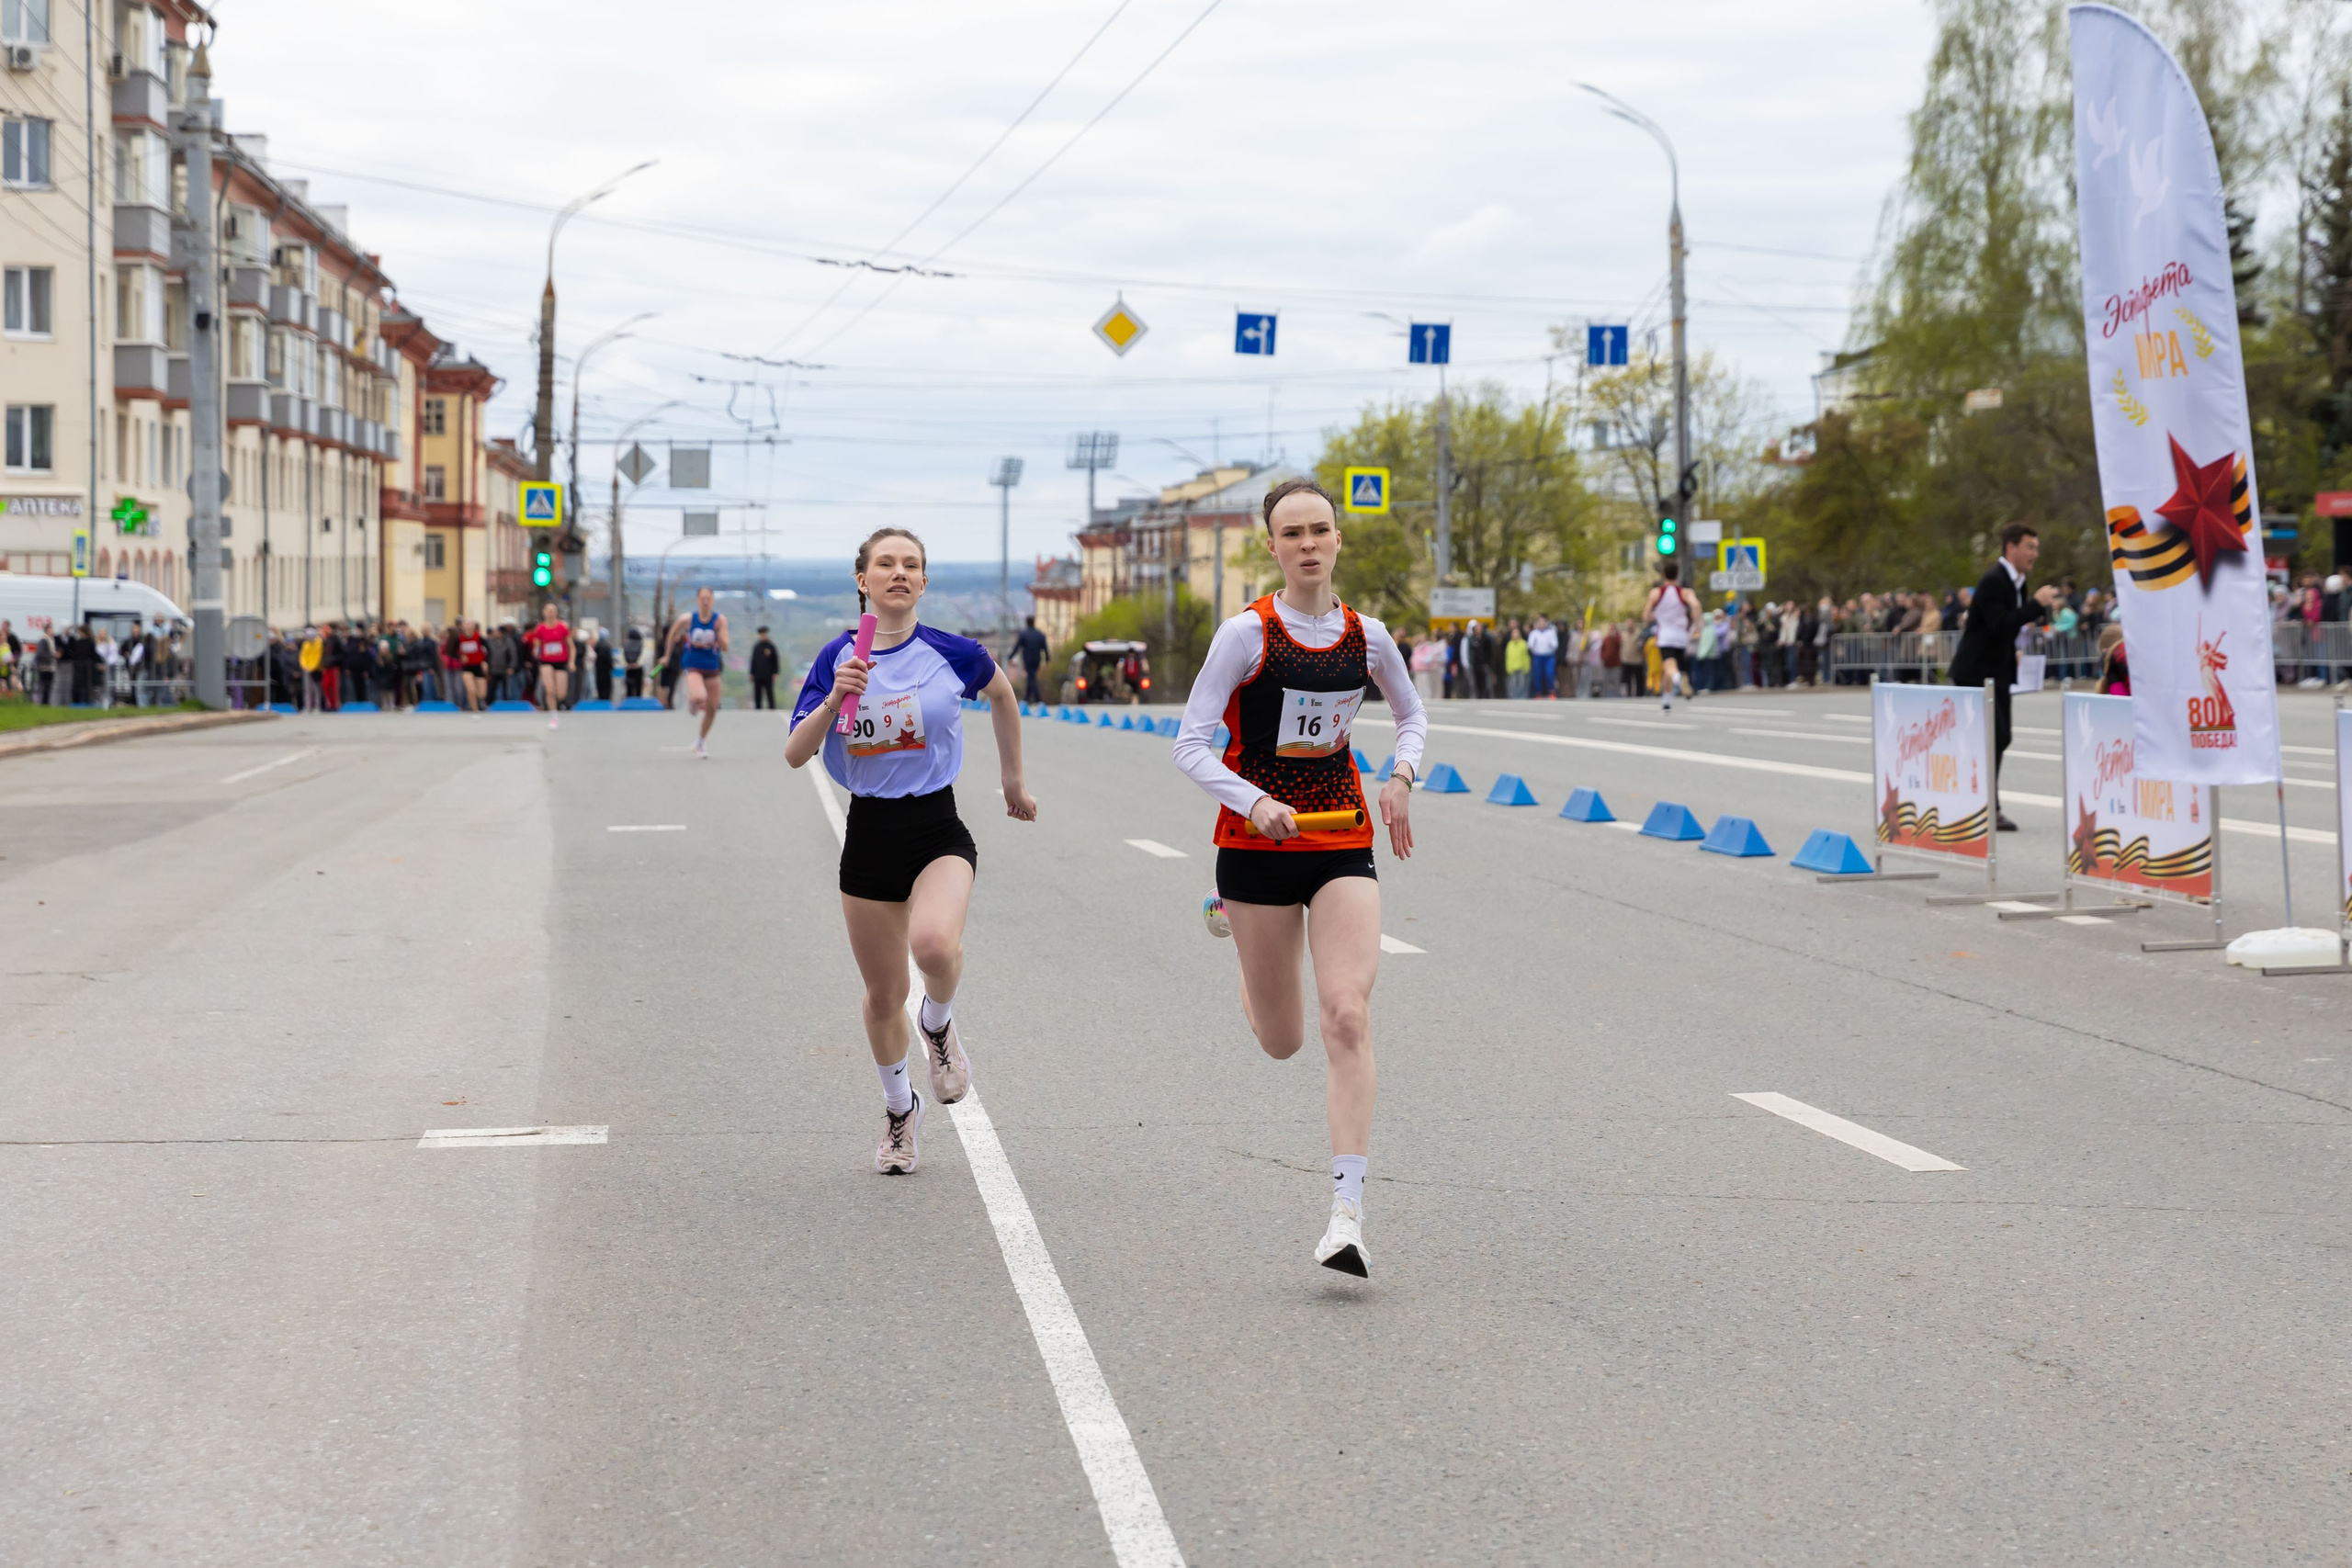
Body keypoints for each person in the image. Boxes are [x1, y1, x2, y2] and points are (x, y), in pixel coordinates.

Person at [1172, 478, 1425, 1278]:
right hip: (1254, 846)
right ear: (1274, 547)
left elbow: (1412, 717)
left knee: (1346, 1014)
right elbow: (1189, 743)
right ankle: (1243, 949)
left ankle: (1346, 1215)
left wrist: (1400, 776)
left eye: (1321, 529)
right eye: (1293, 533)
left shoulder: (1370, 638)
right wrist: (1254, 801)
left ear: (1337, 539)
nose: (1309, 544)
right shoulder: (1245, 635)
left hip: (1341, 837)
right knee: (1282, 1040)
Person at [786, 527, 1036, 1175]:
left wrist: (1012, 778)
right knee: (880, 994)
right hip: (868, 833)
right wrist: (837, 695)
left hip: (936, 827)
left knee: (932, 946)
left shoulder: (952, 652)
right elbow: (795, 752)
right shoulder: (835, 658)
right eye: (885, 564)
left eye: (912, 564)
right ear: (862, 580)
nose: (899, 572)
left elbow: (1003, 693)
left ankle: (939, 1022)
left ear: (924, 582)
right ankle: (901, 1110)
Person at [1947, 522, 2061, 831]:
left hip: (1997, 669)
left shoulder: (2019, 582)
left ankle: (1982, 803)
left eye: (2036, 548)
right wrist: (2036, 605)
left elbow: (2007, 628)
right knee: (1990, 736)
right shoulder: (1994, 581)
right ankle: (1984, 806)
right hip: (1975, 671)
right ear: (2011, 547)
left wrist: (2015, 648)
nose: (2034, 554)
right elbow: (2000, 624)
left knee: (2002, 736)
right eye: (2030, 547)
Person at [668, 586, 729, 757]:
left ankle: (700, 742)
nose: (705, 601)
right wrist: (666, 655)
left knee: (712, 709)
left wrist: (719, 634)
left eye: (708, 598)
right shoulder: (688, 619)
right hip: (692, 664)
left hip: (712, 667)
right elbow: (672, 633)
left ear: (713, 600)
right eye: (702, 598)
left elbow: (725, 646)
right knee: (699, 696)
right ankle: (693, 701)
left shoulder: (719, 620)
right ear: (697, 600)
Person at [1645, 562, 1700, 710]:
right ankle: (1667, 702)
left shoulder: (1657, 593)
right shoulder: (1685, 592)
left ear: (1663, 575)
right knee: (1668, 668)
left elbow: (1646, 616)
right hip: (1682, 637)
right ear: (1678, 574)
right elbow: (1695, 605)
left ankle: (1680, 679)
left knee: (1670, 668)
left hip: (1665, 636)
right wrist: (1697, 626)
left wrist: (1654, 615)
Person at [527, 602, 574, 729]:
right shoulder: (540, 628)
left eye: (553, 610)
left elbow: (571, 646)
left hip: (561, 661)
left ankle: (557, 705)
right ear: (544, 613)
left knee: (560, 694)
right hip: (546, 661)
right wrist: (536, 650)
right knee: (549, 689)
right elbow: (537, 643)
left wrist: (571, 661)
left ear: (556, 613)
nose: (550, 613)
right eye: (548, 610)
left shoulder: (562, 627)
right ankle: (553, 715)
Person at [1012, 615, 1049, 703]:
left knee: (1031, 677)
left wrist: (1010, 656)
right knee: (1031, 676)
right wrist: (1047, 659)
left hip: (1028, 659)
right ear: (1034, 622)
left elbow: (1017, 647)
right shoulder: (1040, 634)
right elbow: (1045, 648)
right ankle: (1027, 697)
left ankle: (1037, 698)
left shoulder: (1024, 634)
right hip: (1037, 660)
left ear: (1027, 623)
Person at [749, 625, 783, 709]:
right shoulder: (757, 647)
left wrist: (776, 672)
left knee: (769, 691)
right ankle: (758, 707)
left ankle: (772, 707)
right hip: (758, 674)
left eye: (764, 634)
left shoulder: (771, 647)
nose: (762, 636)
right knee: (757, 692)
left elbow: (775, 660)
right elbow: (753, 661)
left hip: (768, 674)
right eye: (761, 635)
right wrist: (751, 673)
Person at [1526, 614, 1559, 698]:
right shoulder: (1534, 633)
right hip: (1538, 656)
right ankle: (1538, 692)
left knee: (1549, 673)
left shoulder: (1551, 632)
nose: (1541, 624)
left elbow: (1555, 644)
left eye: (1543, 622)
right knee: (1538, 675)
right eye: (1540, 622)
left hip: (1549, 656)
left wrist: (1550, 644)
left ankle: (1552, 691)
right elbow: (1530, 645)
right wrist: (1534, 648)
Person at [1504, 620, 1532, 698]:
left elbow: (1526, 657)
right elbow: (1508, 657)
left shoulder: (1523, 644)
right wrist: (1508, 667)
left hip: (1522, 667)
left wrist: (1526, 667)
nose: (1515, 635)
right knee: (1512, 684)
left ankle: (1522, 697)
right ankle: (1513, 697)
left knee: (1522, 684)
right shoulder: (1509, 644)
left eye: (1517, 634)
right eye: (1514, 634)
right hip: (1512, 668)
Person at [623, 621, 647, 700]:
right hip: (638, 668)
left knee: (629, 687)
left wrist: (628, 664)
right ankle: (638, 701)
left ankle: (629, 701)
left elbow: (623, 654)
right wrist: (636, 664)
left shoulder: (626, 643)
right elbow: (643, 655)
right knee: (638, 687)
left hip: (629, 668)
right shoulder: (640, 643)